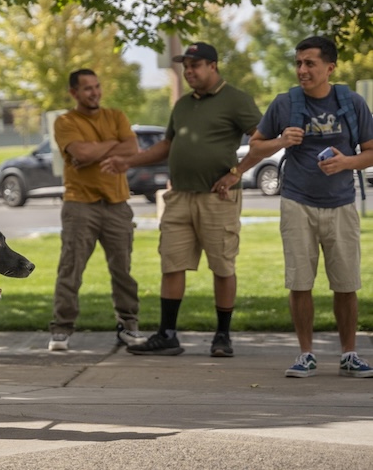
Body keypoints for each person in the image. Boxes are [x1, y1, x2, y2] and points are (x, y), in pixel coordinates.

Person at [101, 42, 264, 357]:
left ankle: (222, 336)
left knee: (222, 266)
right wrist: (128, 162)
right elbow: (167, 146)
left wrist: (236, 172)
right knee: (172, 263)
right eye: (186, 66)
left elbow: (263, 140)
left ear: (213, 66)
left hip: (218, 198)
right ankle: (168, 334)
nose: (189, 71)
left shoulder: (237, 100)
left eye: (196, 65)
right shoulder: (183, 104)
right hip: (179, 198)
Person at [249, 36, 373, 379]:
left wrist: (347, 162)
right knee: (300, 282)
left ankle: (349, 354)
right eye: (299, 63)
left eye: (310, 64)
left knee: (346, 284)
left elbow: (371, 151)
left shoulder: (352, 103)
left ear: (329, 67)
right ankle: (306, 354)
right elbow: (256, 146)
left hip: (342, 204)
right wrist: (280, 141)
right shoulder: (284, 103)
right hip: (296, 202)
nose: (302, 70)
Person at [48, 69, 147, 351]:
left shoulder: (116, 116)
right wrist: (113, 146)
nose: (94, 92)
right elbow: (81, 154)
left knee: (122, 270)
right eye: (87, 88)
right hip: (80, 205)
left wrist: (98, 149)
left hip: (117, 204)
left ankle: (128, 326)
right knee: (71, 268)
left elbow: (133, 148)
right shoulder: (65, 121)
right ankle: (61, 329)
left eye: (97, 86)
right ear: (74, 93)